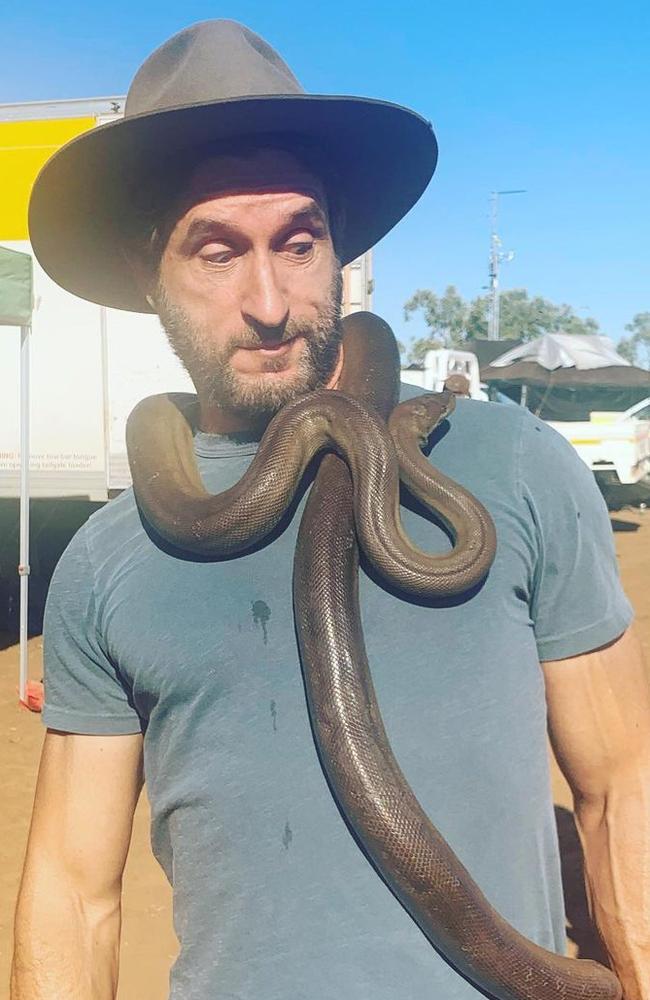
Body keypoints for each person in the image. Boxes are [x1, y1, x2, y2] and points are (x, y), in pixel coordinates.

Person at [12, 20, 650, 1000]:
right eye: (216, 252)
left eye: (297, 241)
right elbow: (71, 890)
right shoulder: (111, 555)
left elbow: (619, 793)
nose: (269, 301)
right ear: (150, 275)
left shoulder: (518, 466)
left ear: (339, 249)